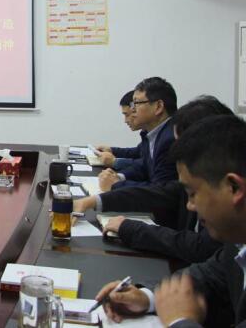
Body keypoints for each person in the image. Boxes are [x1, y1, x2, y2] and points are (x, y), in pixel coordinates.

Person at [94, 115, 246, 327]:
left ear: (234, 188)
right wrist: (147, 297)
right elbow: (207, 278)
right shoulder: (236, 245)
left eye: (192, 194)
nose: (189, 206)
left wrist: (180, 321)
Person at [74, 96, 231, 265]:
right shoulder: (201, 178)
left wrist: (131, 228)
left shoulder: (224, 196)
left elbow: (200, 247)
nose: (176, 156)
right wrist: (93, 201)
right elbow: (159, 193)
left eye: (181, 148)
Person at [97, 77, 177, 191]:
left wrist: (116, 184)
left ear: (158, 107)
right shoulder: (153, 133)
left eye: (136, 103)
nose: (133, 110)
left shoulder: (171, 138)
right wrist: (118, 177)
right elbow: (144, 166)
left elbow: (162, 191)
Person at [95, 90, 141, 171]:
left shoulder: (163, 138)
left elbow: (146, 166)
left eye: (127, 115)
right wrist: (112, 150)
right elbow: (138, 152)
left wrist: (115, 162)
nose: (125, 121)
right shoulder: (147, 134)